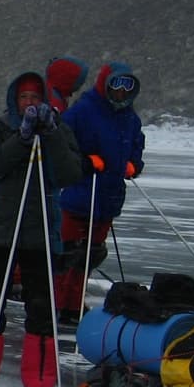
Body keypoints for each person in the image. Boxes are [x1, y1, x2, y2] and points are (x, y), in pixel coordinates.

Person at [0, 71, 82, 387]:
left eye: (35, 98)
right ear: (15, 100)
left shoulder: (60, 130)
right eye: (24, 98)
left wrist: (52, 135)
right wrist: (22, 138)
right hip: (1, 230)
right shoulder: (2, 127)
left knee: (42, 306)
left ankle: (40, 376)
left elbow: (71, 172)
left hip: (41, 231)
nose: (30, 103)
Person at [53, 62, 145, 327]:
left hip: (108, 197)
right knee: (67, 254)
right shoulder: (84, 110)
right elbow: (62, 141)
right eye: (117, 85)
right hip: (79, 193)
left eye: (127, 87)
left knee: (90, 255)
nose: (121, 92)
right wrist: (84, 160)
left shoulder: (130, 117)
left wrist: (134, 164)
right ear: (106, 84)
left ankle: (74, 304)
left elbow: (136, 144)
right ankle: (56, 303)